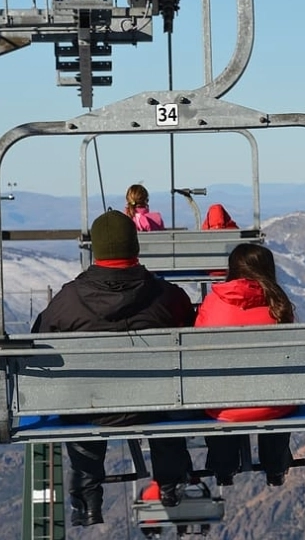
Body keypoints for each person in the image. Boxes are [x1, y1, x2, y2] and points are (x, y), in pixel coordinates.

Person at [31, 210, 195, 527]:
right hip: (155, 404)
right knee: (168, 401)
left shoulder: (68, 301)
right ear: (135, 246)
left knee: (81, 406)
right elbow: (191, 332)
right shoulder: (167, 295)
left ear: (97, 250)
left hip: (92, 406)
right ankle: (171, 485)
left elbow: (39, 340)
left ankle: (87, 504)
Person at [195, 243, 295, 487]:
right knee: (274, 398)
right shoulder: (278, 305)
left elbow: (197, 350)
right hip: (271, 405)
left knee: (221, 395)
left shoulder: (213, 302)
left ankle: (223, 465)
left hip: (223, 406)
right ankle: (275, 465)